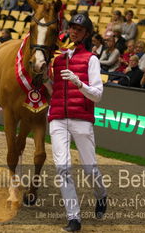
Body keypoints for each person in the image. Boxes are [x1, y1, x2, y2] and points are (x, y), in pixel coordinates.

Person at [45, 13, 107, 232]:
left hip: (81, 118)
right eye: (72, 28)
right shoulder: (58, 59)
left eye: (79, 29)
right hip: (58, 118)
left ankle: (101, 195)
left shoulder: (91, 59)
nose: (74, 31)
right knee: (62, 167)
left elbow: (97, 95)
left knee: (90, 168)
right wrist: (46, 80)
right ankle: (74, 218)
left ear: (86, 34)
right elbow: (55, 91)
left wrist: (79, 83)